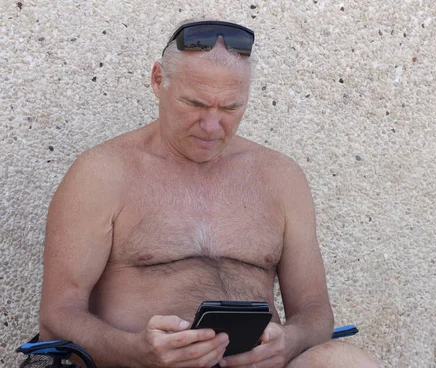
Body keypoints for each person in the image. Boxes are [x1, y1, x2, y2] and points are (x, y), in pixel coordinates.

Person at [38, 19, 379, 368]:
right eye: (195, 104)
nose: (212, 127)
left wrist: (290, 342)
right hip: (137, 364)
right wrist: (136, 351)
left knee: (345, 361)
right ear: (158, 80)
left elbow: (314, 310)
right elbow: (57, 315)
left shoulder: (280, 176)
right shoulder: (104, 172)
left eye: (231, 108)